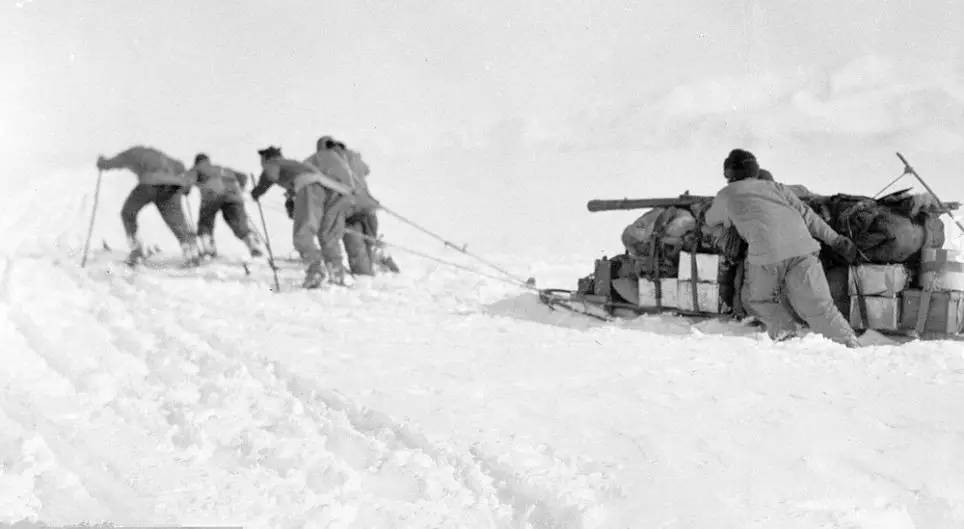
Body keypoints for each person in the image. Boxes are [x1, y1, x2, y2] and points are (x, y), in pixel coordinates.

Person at [704, 149, 860, 347]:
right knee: (821, 307)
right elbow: (808, 216)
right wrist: (836, 240)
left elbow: (710, 220)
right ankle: (849, 342)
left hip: (767, 256)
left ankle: (787, 335)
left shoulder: (726, 194)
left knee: (759, 300)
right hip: (804, 250)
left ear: (729, 173)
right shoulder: (778, 187)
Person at [250, 146, 350, 288]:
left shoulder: (273, 163)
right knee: (328, 235)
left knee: (303, 235)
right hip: (335, 190)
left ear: (266, 158)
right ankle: (337, 274)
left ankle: (315, 271)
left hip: (310, 188)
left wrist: (258, 191)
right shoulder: (297, 164)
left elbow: (270, 176)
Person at [303, 135, 397, 275]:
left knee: (344, 243)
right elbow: (366, 170)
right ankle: (376, 263)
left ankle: (350, 275)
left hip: (345, 208)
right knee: (367, 243)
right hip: (367, 206)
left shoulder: (319, 158)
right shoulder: (352, 155)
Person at [96, 146, 201, 266]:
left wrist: (102, 163)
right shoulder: (166, 158)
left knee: (128, 212)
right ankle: (191, 254)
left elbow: (116, 162)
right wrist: (186, 188)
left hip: (150, 184)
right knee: (177, 221)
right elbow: (181, 169)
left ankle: (136, 250)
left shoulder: (135, 152)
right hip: (173, 187)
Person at [184, 153, 263, 258]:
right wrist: (241, 188)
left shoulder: (197, 168)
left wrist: (186, 190)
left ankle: (208, 248)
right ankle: (252, 242)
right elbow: (243, 177)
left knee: (205, 222)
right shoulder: (221, 168)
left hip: (212, 196)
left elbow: (188, 180)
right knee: (238, 222)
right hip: (234, 196)